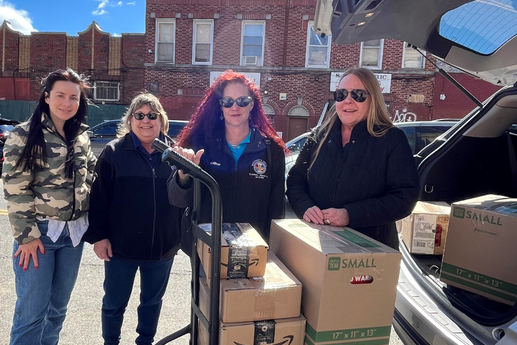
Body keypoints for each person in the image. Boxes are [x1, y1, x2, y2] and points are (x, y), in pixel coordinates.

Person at [2, 69, 96, 345]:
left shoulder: (81, 137)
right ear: (46, 97)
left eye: (74, 97)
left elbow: (91, 179)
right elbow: (16, 189)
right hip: (38, 236)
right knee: (31, 311)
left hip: (72, 236)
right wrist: (26, 236)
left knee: (58, 307)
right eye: (61, 95)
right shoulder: (25, 135)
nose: (67, 102)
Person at [84, 92, 181, 345]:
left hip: (161, 248)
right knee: (114, 302)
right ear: (130, 120)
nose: (146, 120)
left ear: (162, 120)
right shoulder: (114, 153)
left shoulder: (174, 154)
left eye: (152, 115)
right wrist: (99, 237)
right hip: (120, 248)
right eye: (139, 115)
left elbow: (186, 198)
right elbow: (99, 199)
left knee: (151, 302)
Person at [286, 67, 419, 249]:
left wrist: (350, 214)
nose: (348, 100)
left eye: (358, 94)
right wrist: (305, 207)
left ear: (373, 99)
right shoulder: (319, 136)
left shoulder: (392, 139)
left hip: (369, 251)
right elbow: (295, 180)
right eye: (341, 94)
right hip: (319, 244)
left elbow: (405, 197)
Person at [168, 70, 286, 252]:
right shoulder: (200, 145)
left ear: (252, 104)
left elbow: (277, 210)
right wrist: (183, 175)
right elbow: (177, 199)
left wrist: (271, 250)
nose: (235, 107)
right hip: (206, 249)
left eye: (242, 101)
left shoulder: (272, 151)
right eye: (228, 102)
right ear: (220, 106)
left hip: (252, 249)